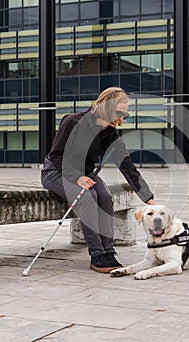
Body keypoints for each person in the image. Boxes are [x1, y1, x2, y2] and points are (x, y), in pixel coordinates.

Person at [41, 87, 155, 274]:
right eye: (119, 113)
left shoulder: (109, 133)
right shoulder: (73, 122)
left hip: (86, 174)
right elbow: (56, 156)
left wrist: (148, 198)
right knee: (86, 196)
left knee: (103, 195)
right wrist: (77, 177)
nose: (121, 119)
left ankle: (108, 251)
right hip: (56, 172)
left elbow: (126, 165)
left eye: (125, 114)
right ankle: (97, 254)